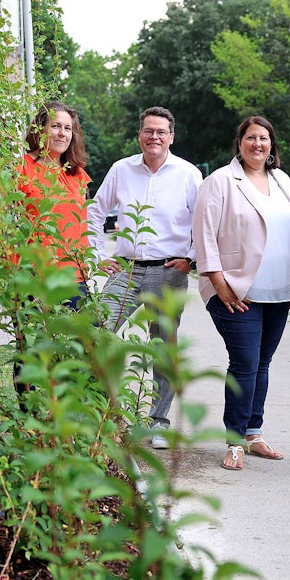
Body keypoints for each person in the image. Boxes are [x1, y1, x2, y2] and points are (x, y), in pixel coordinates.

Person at [193, 116, 290, 471]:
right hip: (236, 290)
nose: (257, 144)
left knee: (262, 364)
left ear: (272, 145)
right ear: (239, 143)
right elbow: (204, 234)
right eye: (250, 138)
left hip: (280, 292)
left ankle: (253, 433)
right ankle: (234, 441)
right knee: (244, 364)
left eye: (264, 138)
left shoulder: (282, 180)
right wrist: (218, 283)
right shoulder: (220, 181)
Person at [87, 106, 202, 449]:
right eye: (148, 131)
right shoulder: (122, 170)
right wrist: (97, 257)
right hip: (126, 268)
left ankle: (158, 421)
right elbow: (95, 210)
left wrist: (192, 259)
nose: (154, 137)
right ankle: (94, 414)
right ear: (139, 135)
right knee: (96, 332)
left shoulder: (188, 174)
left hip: (169, 272)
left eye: (161, 132)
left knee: (163, 347)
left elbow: (204, 221)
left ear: (171, 137)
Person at [12, 101, 91, 396]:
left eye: (68, 128)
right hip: (36, 278)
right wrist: (16, 263)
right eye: (55, 126)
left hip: (75, 278)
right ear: (40, 128)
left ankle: (68, 427)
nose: (62, 133)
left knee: (76, 355)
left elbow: (81, 222)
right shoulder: (22, 167)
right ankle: (30, 424)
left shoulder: (76, 173)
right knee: (32, 353)